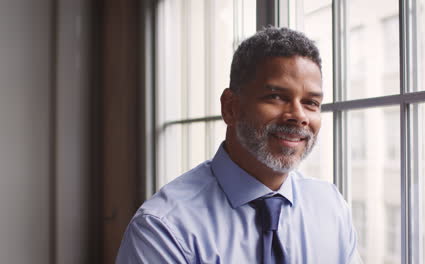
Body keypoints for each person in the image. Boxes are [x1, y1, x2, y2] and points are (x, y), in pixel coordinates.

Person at [116, 27, 362, 264]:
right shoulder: (163, 229)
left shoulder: (331, 207)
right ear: (230, 107)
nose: (299, 116)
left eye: (311, 102)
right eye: (276, 97)